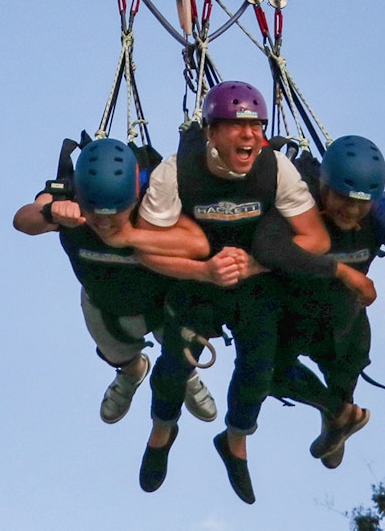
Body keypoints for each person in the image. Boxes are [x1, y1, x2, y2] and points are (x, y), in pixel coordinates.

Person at [132, 80, 330, 504]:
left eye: (257, 125)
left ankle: (235, 441)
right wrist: (204, 271)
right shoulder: (176, 171)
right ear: (210, 132)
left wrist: (257, 263)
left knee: (257, 370)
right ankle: (162, 430)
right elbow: (145, 250)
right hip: (197, 277)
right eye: (237, 126)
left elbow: (315, 239)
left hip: (255, 280)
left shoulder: (276, 167)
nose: (249, 135)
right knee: (172, 366)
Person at [253, 134, 385, 469]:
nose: (353, 210)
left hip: (343, 321)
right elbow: (268, 248)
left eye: (362, 203)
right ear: (325, 186)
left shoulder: (383, 210)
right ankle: (336, 411)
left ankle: (339, 414)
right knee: (266, 370)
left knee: (347, 366)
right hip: (287, 310)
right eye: (344, 199)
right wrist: (342, 271)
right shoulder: (299, 192)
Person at [12, 138, 219, 427]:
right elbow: (23, 220)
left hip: (165, 299)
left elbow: (198, 243)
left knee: (182, 346)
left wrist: (130, 238)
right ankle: (132, 371)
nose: (106, 223)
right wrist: (51, 212)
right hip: (105, 302)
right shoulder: (68, 196)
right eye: (96, 214)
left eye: (115, 213)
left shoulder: (158, 196)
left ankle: (185, 373)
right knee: (114, 347)